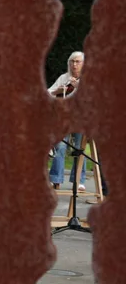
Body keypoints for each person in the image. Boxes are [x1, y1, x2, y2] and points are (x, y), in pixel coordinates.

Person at [48, 51, 87, 191]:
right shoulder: (64, 77)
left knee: (79, 148)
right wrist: (56, 91)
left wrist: (78, 87)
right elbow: (47, 93)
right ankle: (56, 179)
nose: (74, 64)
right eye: (72, 61)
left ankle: (79, 180)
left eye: (77, 62)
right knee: (59, 146)